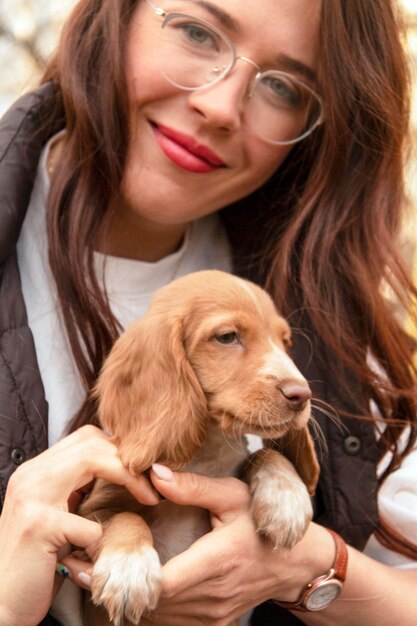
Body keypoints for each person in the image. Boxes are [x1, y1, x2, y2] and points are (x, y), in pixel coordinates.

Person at [0, 0, 416, 624]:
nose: (220, 107)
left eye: (283, 86)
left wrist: (310, 568)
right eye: (197, 32)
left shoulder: (332, 315)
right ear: (113, 17)